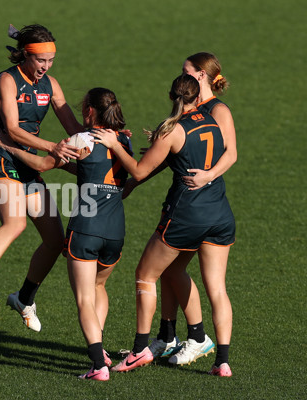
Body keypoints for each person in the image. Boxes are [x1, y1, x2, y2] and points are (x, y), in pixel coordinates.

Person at [93, 74, 235, 377]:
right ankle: (220, 359)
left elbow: (141, 171)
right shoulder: (212, 121)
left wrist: (114, 145)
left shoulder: (171, 130)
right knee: (211, 286)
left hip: (186, 215)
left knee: (145, 274)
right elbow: (195, 155)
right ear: (198, 97)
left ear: (172, 95)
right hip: (220, 214)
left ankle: (140, 348)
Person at [0, 88, 132, 381]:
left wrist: (11, 149)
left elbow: (43, 164)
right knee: (98, 288)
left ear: (89, 111)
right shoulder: (125, 140)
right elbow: (97, 171)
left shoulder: (81, 139)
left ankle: (98, 365)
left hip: (86, 228)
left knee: (84, 298)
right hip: (115, 231)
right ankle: (102, 349)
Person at [0, 24, 83, 333]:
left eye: (51, 60)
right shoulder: (7, 80)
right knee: (14, 223)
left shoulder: (51, 85)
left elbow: (73, 127)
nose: (46, 66)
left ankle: (24, 299)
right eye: (41, 60)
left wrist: (106, 138)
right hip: (2, 159)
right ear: (25, 55)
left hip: (30, 165)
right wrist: (51, 148)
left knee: (56, 240)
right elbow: (12, 129)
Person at [143, 53, 237, 375]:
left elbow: (230, 153)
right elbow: (178, 153)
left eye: (186, 71)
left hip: (196, 207)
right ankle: (170, 337)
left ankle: (197, 339)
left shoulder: (217, 110)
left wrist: (206, 175)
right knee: (172, 272)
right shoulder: (192, 111)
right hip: (210, 211)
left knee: (187, 277)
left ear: (200, 76)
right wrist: (157, 149)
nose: (181, 74)